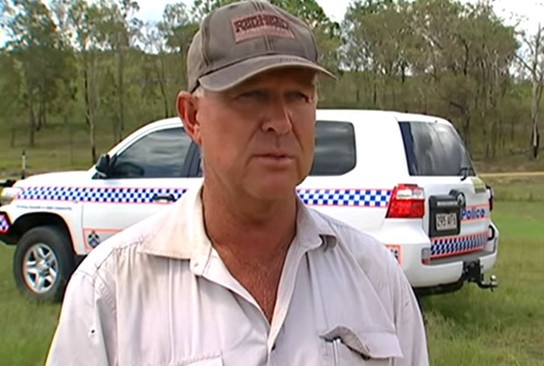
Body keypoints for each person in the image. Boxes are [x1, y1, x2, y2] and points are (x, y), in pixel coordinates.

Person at [45, 1, 429, 365]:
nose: (280, 122)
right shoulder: (111, 291)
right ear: (193, 117)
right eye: (251, 96)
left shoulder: (375, 277)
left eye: (297, 95)